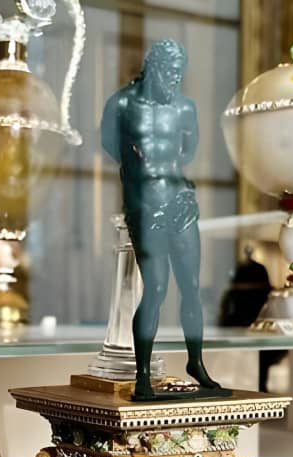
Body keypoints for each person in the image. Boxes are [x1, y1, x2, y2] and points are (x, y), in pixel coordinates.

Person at [101, 39, 220, 400]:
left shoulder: (185, 107)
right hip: (144, 204)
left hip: (179, 201)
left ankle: (196, 362)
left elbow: (189, 151)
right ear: (153, 68)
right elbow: (109, 145)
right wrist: (139, 176)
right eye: (169, 73)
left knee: (192, 286)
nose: (175, 81)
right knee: (154, 289)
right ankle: (141, 375)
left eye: (179, 75)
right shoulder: (122, 103)